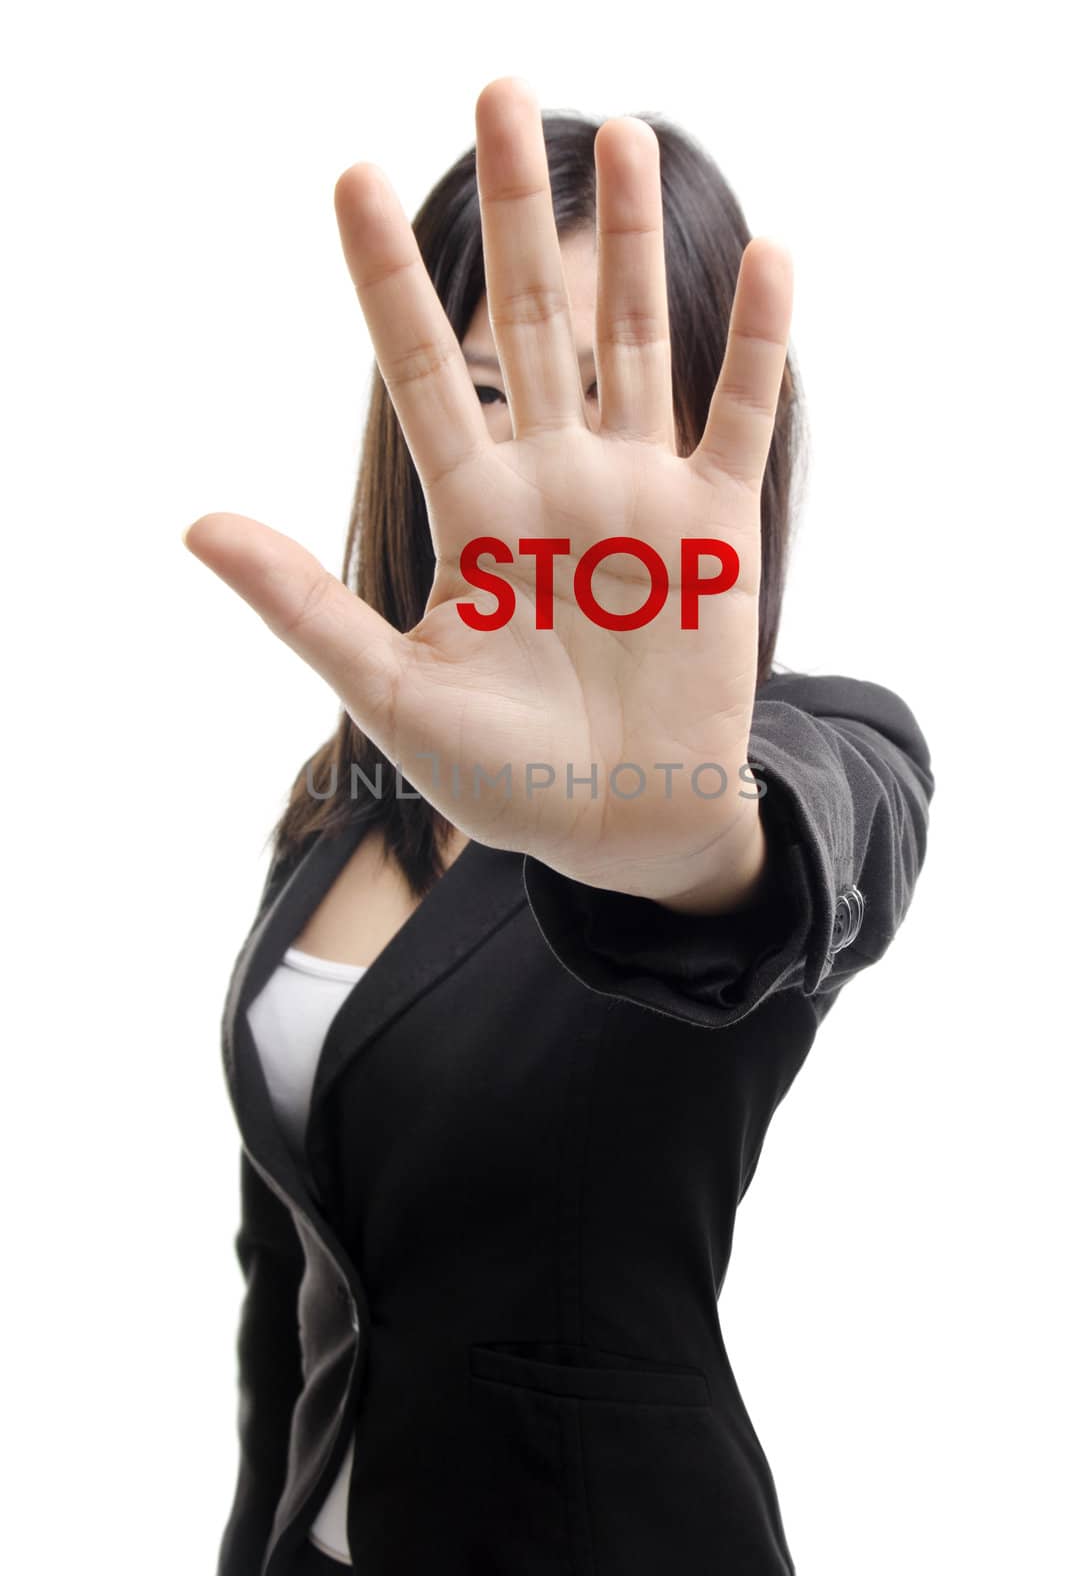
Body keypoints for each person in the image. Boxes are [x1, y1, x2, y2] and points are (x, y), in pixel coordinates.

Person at [183, 76, 934, 1576]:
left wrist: (671, 837)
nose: (548, 474)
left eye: (605, 404)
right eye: (486, 397)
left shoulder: (815, 749)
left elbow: (799, 856)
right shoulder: (339, 809)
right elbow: (295, 1281)